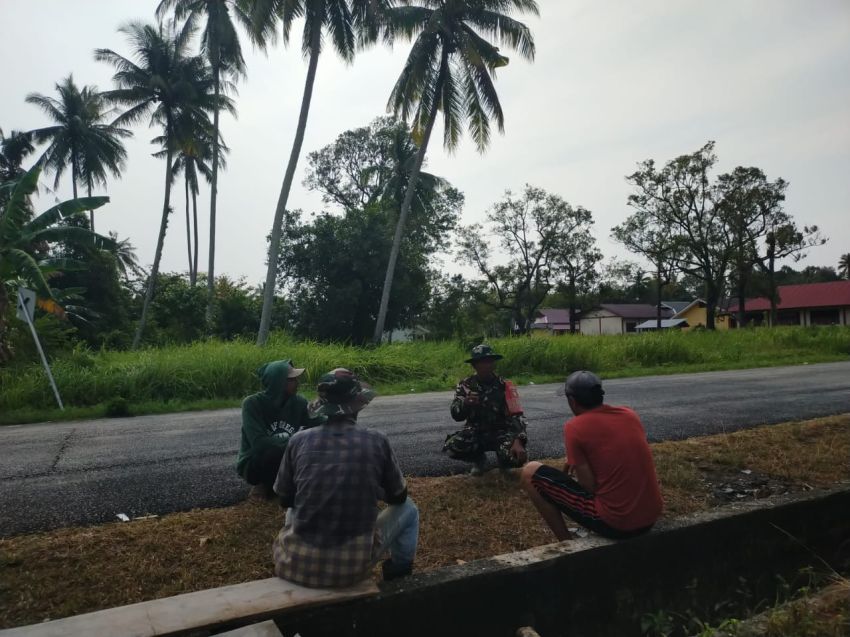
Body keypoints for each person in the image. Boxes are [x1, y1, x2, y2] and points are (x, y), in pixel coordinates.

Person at [272, 368, 419, 588]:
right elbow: (398, 496)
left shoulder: (298, 440)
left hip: (294, 566)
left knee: (294, 506)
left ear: (322, 406)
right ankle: (398, 574)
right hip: (350, 569)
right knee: (410, 509)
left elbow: (285, 499)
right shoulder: (376, 440)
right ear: (358, 403)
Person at [520, 370, 663, 540]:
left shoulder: (575, 427)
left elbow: (589, 487)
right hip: (650, 517)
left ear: (572, 401)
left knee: (530, 472)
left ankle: (566, 542)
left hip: (618, 523)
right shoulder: (629, 414)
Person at [236, 359, 322, 498]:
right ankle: (264, 485)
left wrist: (335, 414)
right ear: (278, 382)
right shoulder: (252, 404)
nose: (297, 383)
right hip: (254, 463)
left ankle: (289, 485)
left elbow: (318, 422)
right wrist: (297, 441)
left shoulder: (298, 402)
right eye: (292, 380)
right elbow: (259, 444)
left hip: (285, 454)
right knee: (271, 452)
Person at [443, 344, 528, 476]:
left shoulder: (505, 385)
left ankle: (505, 463)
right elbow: (456, 415)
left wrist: (518, 441)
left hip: (501, 432)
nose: (487, 365)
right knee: (451, 447)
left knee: (516, 456)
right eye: (482, 362)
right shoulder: (465, 385)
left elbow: (517, 415)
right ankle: (479, 461)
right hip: (475, 432)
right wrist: (465, 404)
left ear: (494, 364)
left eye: (489, 361)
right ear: (474, 366)